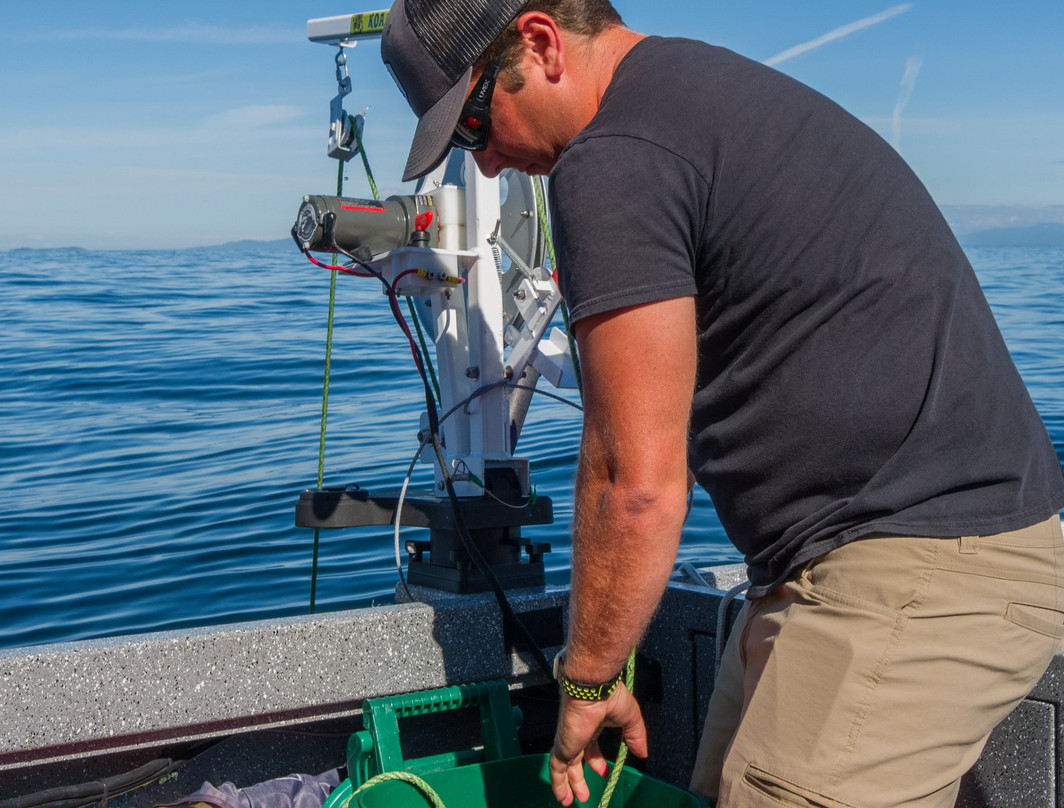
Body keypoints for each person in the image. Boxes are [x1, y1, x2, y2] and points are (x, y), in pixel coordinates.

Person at [381, 1, 1064, 806]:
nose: (486, 163)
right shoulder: (699, 92)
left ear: (540, 42)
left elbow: (634, 482)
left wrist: (592, 676)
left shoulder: (611, 158)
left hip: (913, 564)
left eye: (471, 123)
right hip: (849, 561)